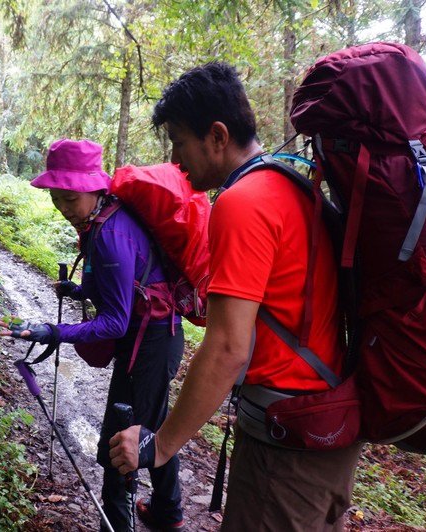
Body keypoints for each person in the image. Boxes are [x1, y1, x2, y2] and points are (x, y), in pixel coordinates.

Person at [108, 62, 363, 531]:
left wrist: (160, 443)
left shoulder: (242, 203)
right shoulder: (295, 184)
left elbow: (228, 348)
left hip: (287, 448)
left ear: (218, 135)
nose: (175, 157)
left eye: (180, 140)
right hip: (329, 428)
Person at [0, 138, 185, 531]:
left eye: (69, 198)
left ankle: (117, 522)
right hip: (155, 339)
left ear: (95, 188)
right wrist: (80, 291)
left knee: (121, 446)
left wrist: (53, 332)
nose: (63, 208)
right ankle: (168, 510)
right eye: (56, 198)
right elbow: (129, 286)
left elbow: (116, 321)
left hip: (147, 346)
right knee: (155, 425)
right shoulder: (105, 220)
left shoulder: (111, 233)